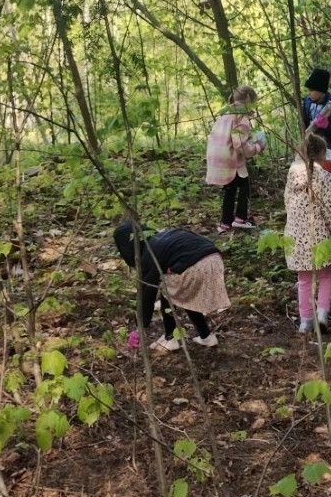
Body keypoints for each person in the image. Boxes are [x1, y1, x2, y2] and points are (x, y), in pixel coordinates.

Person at [114, 220, 230, 351]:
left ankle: (170, 339)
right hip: (214, 259)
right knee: (185, 294)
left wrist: (140, 327)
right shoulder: (163, 236)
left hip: (193, 265)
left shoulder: (149, 253)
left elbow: (147, 293)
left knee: (168, 293)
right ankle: (206, 336)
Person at [284, 132, 331, 333]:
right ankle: (322, 315)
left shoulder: (292, 175)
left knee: (304, 279)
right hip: (319, 235)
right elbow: (330, 207)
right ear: (321, 154)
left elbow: (287, 203)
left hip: (296, 235)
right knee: (326, 276)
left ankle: (305, 320)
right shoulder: (324, 176)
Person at [205, 84, 266, 233]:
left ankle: (225, 223)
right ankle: (240, 218)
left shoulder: (225, 113)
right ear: (248, 99)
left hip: (218, 157)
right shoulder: (241, 116)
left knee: (229, 189)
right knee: (245, 185)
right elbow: (240, 144)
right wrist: (258, 146)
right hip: (230, 158)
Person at [302, 67, 331, 152]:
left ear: (321, 90)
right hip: (312, 143)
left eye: (311, 90)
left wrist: (326, 126)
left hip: (329, 146)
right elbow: (305, 121)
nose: (309, 93)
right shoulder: (307, 102)